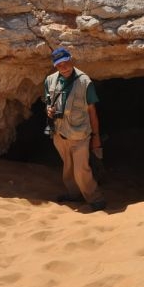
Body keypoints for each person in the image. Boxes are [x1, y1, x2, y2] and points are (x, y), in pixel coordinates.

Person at [44, 47, 106, 212]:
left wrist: (96, 137)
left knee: (81, 170)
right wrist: (48, 110)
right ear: (55, 66)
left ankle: (96, 199)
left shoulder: (85, 82)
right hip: (59, 134)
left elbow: (92, 112)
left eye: (66, 63)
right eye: (59, 65)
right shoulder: (50, 80)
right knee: (68, 168)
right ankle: (74, 194)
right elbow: (48, 102)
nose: (63, 67)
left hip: (80, 135)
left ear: (71, 60)